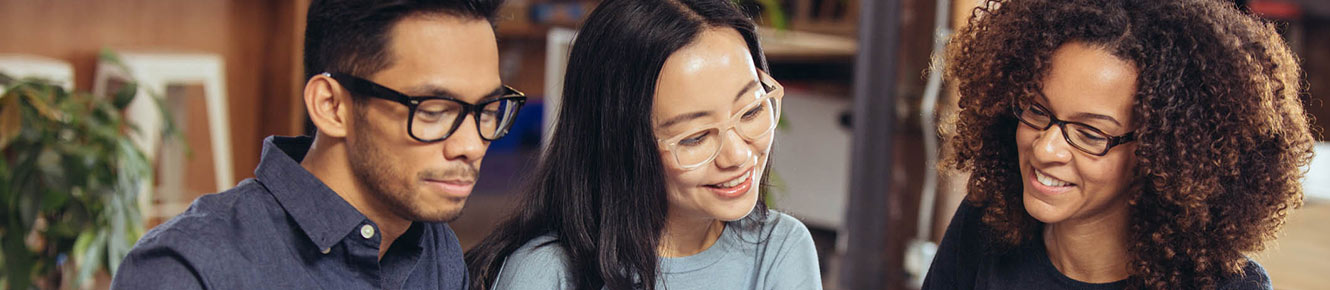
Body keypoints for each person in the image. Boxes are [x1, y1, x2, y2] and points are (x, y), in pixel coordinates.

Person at [111, 0, 523, 288]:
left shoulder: (435, 249)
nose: (471, 145)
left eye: (487, 109)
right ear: (330, 106)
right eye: (434, 110)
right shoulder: (190, 270)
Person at [922, 0, 1315, 289]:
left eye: (1090, 134)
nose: (1045, 150)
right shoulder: (986, 222)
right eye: (1038, 111)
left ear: (1159, 155)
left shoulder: (1224, 286)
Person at [463, 0, 821, 289]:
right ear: (620, 145)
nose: (739, 155)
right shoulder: (546, 274)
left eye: (751, 110)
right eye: (695, 137)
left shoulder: (780, 247)